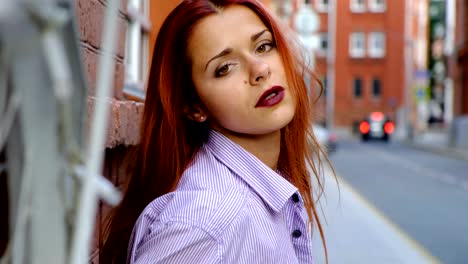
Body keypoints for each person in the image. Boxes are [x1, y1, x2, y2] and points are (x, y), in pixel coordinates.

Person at [101, 0, 332, 263]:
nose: (260, 70)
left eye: (263, 46)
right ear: (194, 106)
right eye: (224, 68)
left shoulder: (268, 190)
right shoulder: (205, 224)